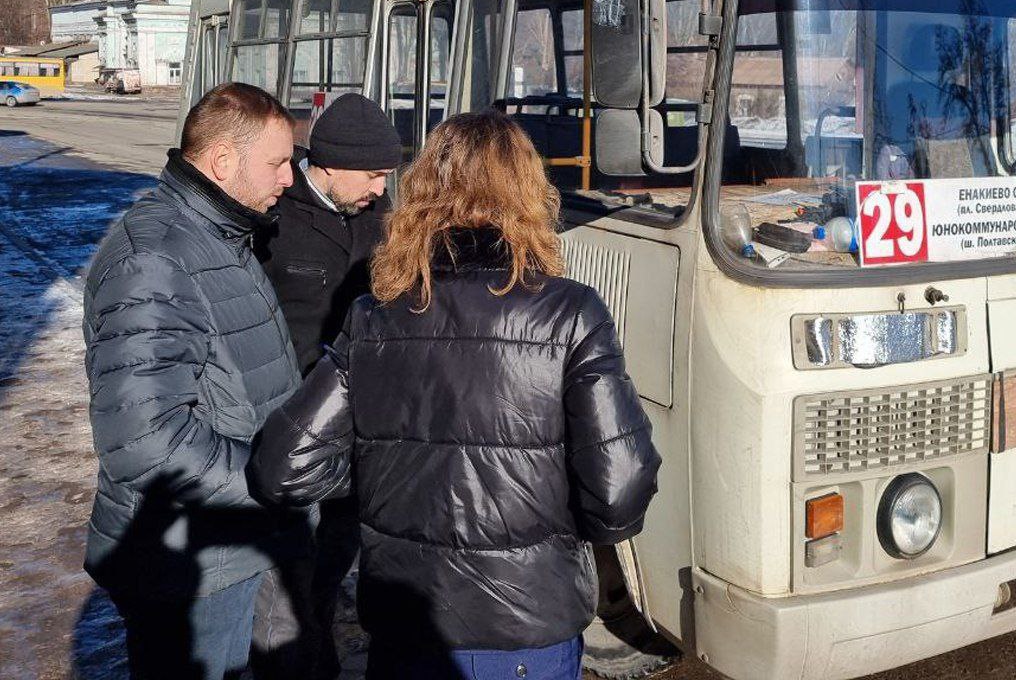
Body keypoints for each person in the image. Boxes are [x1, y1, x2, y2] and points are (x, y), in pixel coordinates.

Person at [249, 111, 661, 680]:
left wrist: (383, 471)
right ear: (528, 193)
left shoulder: (374, 316)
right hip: (527, 626)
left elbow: (282, 467)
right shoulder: (569, 313)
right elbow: (619, 487)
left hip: (405, 626)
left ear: (422, 194)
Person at [82, 82, 305, 680]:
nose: (290, 177)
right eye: (278, 162)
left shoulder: (220, 237)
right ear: (223, 162)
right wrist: (271, 481)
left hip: (228, 544)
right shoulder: (153, 259)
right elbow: (147, 445)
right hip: (189, 565)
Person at [252, 93, 399, 680]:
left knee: (334, 559)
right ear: (330, 165)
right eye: (373, 176)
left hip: (357, 434)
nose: (381, 190)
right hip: (290, 429)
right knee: (289, 576)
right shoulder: (273, 219)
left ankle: (315, 649)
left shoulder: (379, 221)